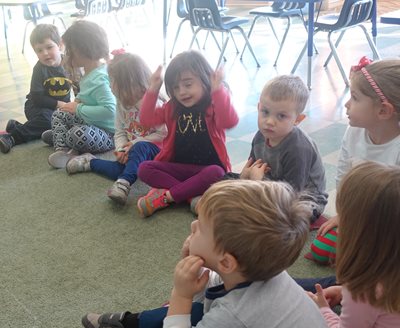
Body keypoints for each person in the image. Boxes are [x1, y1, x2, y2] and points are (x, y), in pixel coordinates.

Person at [81, 179, 337, 328]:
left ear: (226, 261)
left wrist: (181, 296)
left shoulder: (236, 316)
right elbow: (220, 286)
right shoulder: (263, 271)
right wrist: (203, 271)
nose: (192, 227)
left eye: (200, 226)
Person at [310, 58, 400, 264]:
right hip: (360, 216)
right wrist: (344, 215)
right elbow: (343, 178)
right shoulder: (353, 132)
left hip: (390, 225)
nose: (347, 104)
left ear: (383, 111)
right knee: (322, 249)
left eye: (355, 98)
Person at [307, 162, 400, 328]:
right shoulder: (384, 272)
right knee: (333, 283)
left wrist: (324, 311)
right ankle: (288, 285)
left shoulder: (363, 288)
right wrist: (343, 291)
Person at [135, 50, 239, 217]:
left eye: (188, 84)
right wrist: (153, 89)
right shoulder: (172, 107)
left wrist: (218, 90)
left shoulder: (213, 105)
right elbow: (146, 119)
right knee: (144, 168)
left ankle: (167, 196)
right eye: (176, 87)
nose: (182, 91)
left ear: (205, 81)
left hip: (207, 170)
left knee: (217, 173)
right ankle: (191, 197)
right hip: (180, 168)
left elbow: (229, 121)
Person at [65, 51, 167, 205]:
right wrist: (120, 150)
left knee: (139, 149)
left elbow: (164, 134)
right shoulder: (121, 103)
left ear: (131, 83)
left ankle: (124, 183)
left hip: (157, 151)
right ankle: (89, 162)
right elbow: (119, 131)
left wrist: (134, 144)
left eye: (112, 80)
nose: (109, 84)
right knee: (119, 170)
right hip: (132, 151)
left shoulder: (152, 103)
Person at [228, 74, 327, 223]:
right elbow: (251, 170)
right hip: (270, 186)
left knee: (285, 219)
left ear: (297, 120)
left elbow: (291, 195)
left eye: (281, 116)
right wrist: (245, 177)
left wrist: (257, 184)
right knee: (225, 180)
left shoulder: (298, 148)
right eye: (265, 112)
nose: (269, 122)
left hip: (304, 199)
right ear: (258, 107)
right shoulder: (260, 136)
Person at [47, 20, 116, 169]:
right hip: (92, 122)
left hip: (109, 133)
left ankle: (64, 140)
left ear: (82, 50)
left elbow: (110, 110)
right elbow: (86, 96)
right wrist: (77, 103)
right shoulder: (90, 72)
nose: (67, 54)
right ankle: (62, 147)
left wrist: (78, 108)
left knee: (75, 134)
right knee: (59, 114)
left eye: (70, 50)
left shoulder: (99, 80)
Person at [0, 24, 71, 154]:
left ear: (60, 45)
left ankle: (15, 126)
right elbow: (38, 98)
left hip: (60, 109)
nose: (45, 53)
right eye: (39, 50)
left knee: (66, 124)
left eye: (49, 47)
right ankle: (12, 137)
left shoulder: (70, 64)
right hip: (36, 106)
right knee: (48, 121)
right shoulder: (39, 69)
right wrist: (59, 104)